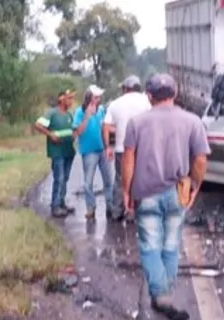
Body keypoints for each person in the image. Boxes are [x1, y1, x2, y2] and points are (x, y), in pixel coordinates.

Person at [121, 73, 209, 320]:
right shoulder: (192, 122)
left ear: (149, 96)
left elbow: (128, 159)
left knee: (150, 246)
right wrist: (194, 186)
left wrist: (126, 190)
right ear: (175, 93)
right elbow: (201, 159)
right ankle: (165, 292)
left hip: (146, 193)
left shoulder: (136, 123)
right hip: (177, 191)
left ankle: (161, 295)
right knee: (170, 245)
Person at [103, 76, 152, 221]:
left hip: (121, 149)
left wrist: (107, 147)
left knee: (120, 179)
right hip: (141, 148)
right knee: (139, 179)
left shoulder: (115, 104)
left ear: (125, 88)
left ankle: (117, 212)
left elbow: (105, 126)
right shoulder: (147, 102)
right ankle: (135, 212)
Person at [34, 89, 77, 218]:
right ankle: (55, 206)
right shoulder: (52, 113)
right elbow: (38, 125)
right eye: (69, 98)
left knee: (65, 178)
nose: (71, 101)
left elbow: (73, 130)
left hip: (69, 150)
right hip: (57, 151)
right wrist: (50, 135)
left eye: (71, 98)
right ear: (61, 99)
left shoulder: (69, 115)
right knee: (59, 178)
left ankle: (62, 203)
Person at [72, 85, 112, 220]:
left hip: (101, 148)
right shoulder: (79, 112)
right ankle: (91, 207)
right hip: (88, 151)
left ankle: (110, 207)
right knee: (88, 182)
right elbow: (78, 132)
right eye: (96, 97)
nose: (98, 99)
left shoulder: (101, 110)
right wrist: (87, 116)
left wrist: (107, 146)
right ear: (89, 98)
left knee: (108, 179)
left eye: (99, 97)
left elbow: (103, 128)